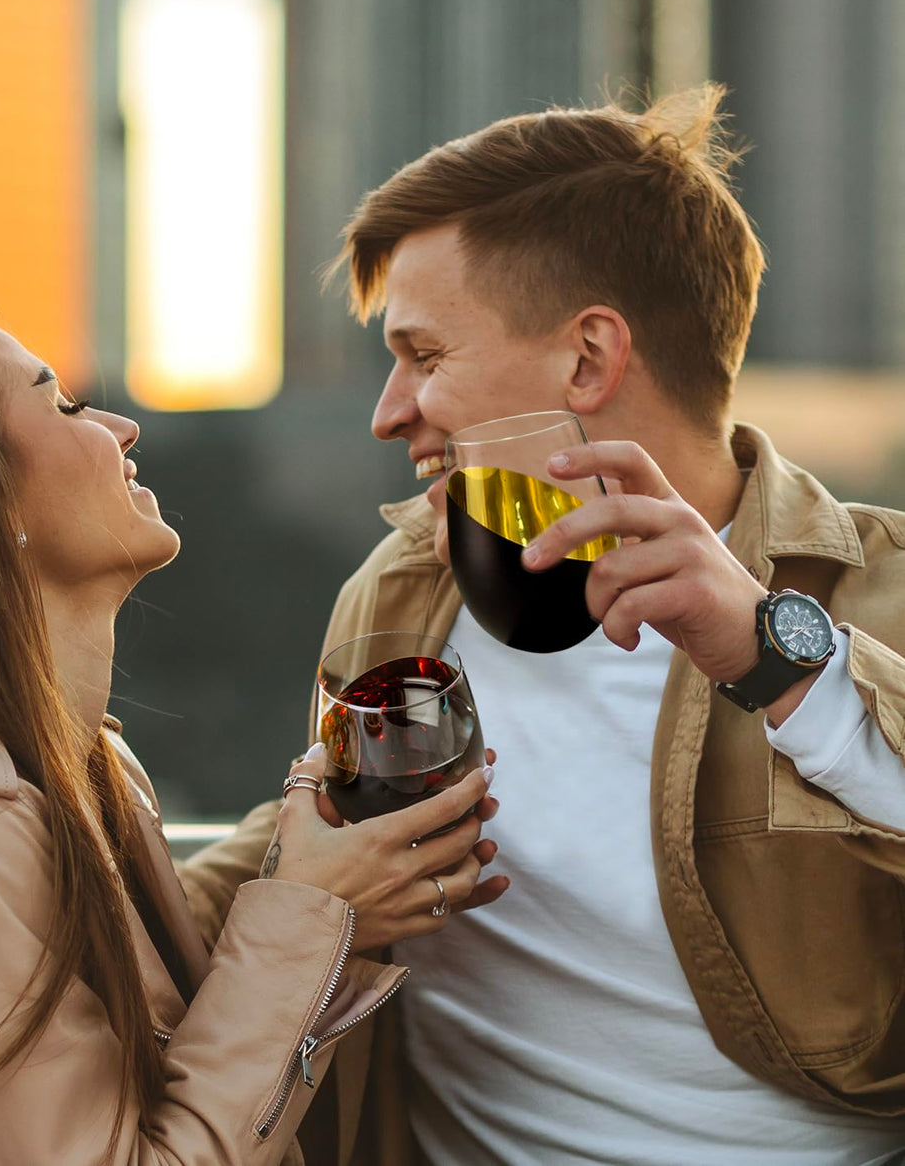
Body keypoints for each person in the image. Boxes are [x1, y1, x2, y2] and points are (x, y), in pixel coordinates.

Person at [177, 85, 905, 1165]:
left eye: (425, 355)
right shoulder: (400, 588)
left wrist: (774, 657)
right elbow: (319, 828)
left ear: (587, 360)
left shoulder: (882, 593)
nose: (388, 412)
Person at [0, 284, 500, 1165]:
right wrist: (315, 912)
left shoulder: (76, 767)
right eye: (65, 405)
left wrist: (323, 871)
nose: (123, 426)